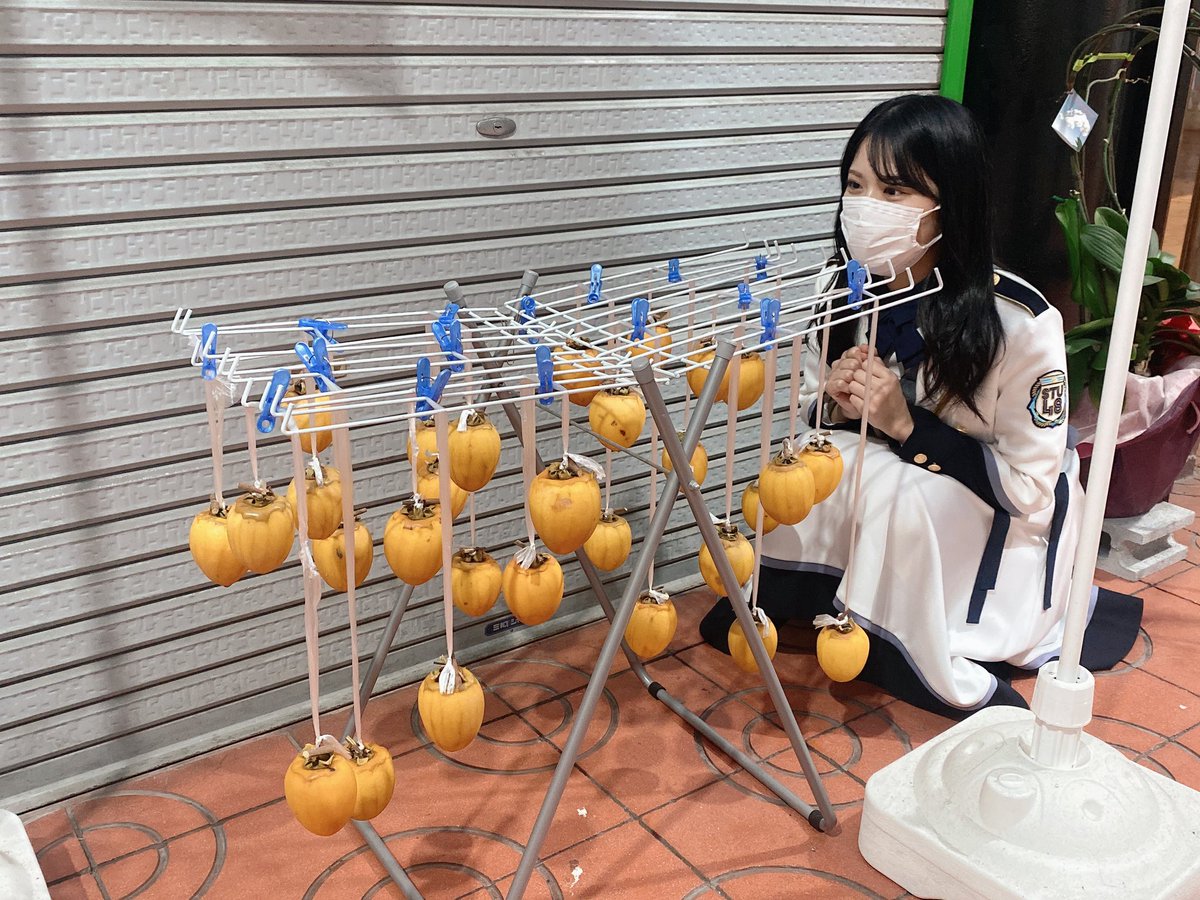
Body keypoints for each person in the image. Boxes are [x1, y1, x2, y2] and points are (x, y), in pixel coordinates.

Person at [699, 94, 1142, 717]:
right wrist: (838, 403)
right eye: (855, 186)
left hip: (987, 499)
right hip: (898, 467)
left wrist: (908, 425)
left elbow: (1029, 486)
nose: (865, 208)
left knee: (898, 496)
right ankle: (807, 603)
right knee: (805, 467)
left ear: (949, 202)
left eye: (894, 191)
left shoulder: (1017, 320)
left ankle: (893, 641)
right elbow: (813, 410)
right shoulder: (841, 288)